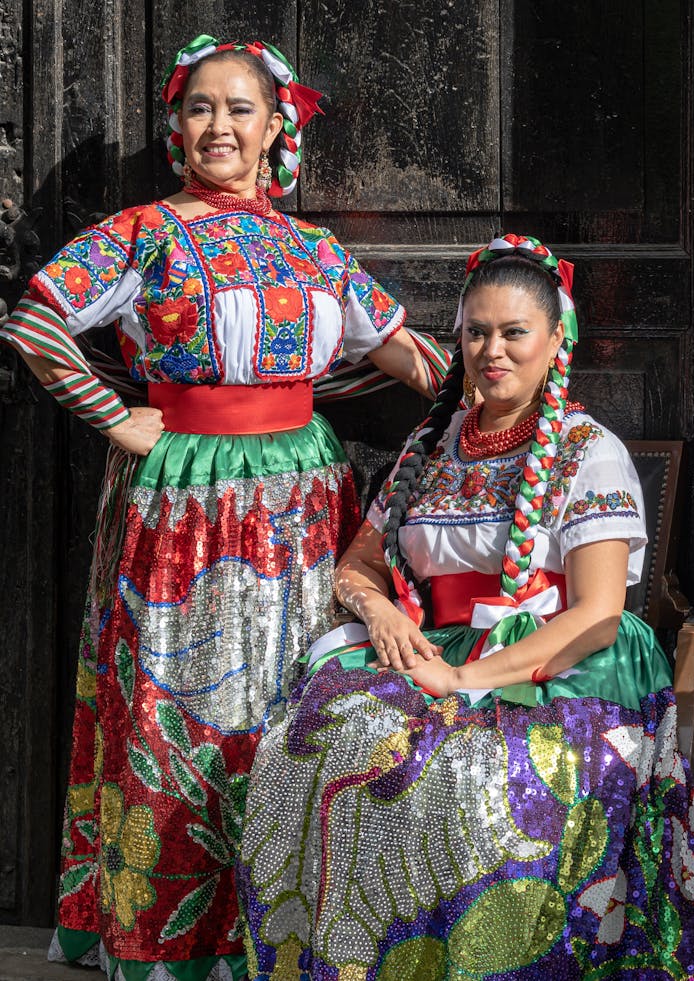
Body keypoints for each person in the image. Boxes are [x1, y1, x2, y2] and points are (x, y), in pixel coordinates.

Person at [0, 34, 446, 981]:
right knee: (187, 705)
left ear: (277, 128)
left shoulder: (316, 252)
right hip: (187, 501)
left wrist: (504, 408)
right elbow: (35, 318)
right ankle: (178, 940)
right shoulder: (144, 233)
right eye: (201, 108)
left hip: (303, 500)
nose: (219, 127)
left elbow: (407, 356)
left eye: (240, 109)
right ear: (176, 126)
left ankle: (288, 929)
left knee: (295, 700)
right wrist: (117, 417)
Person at [235, 234, 694, 979]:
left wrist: (468, 680)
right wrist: (382, 611)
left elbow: (597, 616)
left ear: (557, 340)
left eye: (515, 331)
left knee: (475, 776)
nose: (494, 350)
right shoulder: (435, 445)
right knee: (317, 744)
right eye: (477, 331)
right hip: (438, 649)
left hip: (557, 667)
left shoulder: (590, 452)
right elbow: (358, 561)